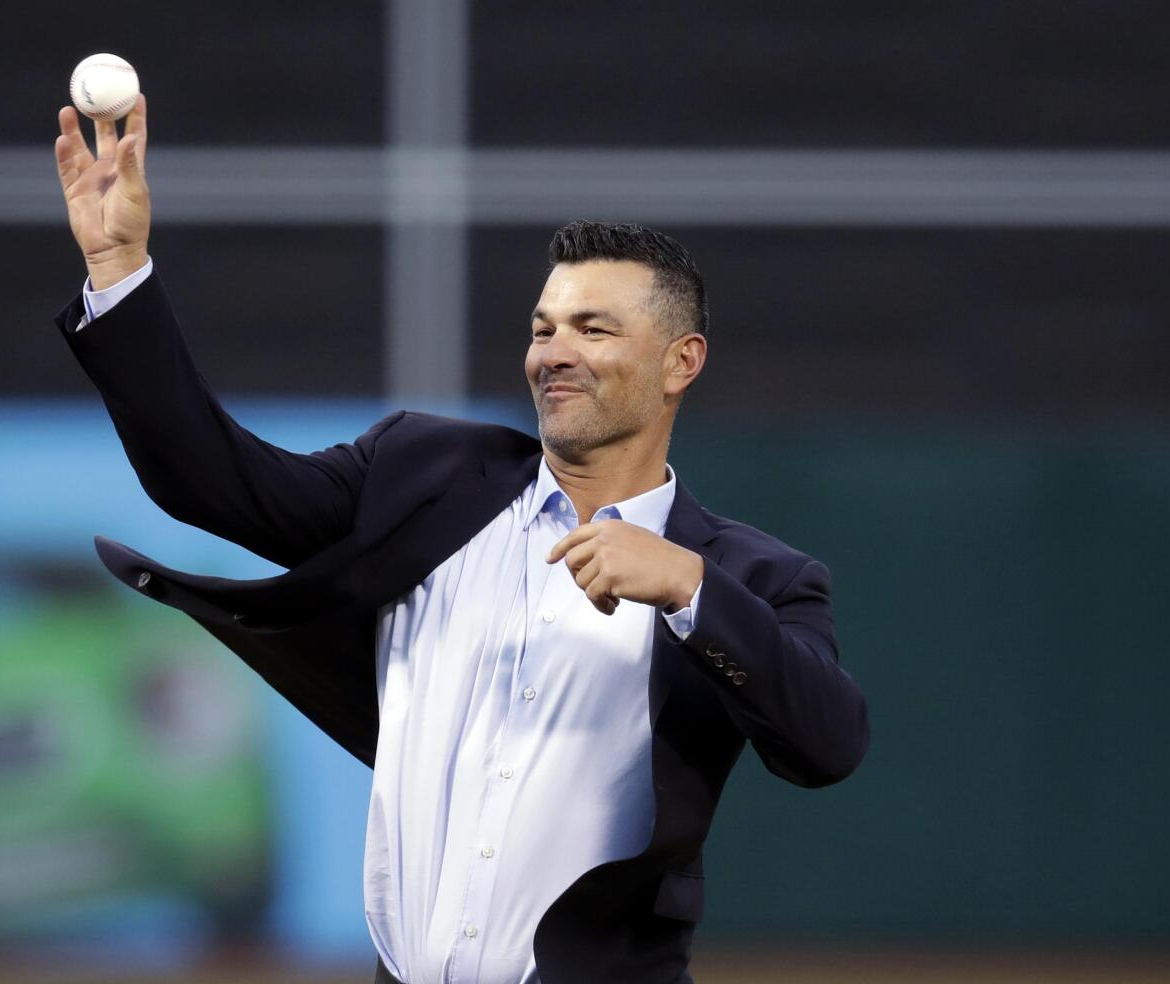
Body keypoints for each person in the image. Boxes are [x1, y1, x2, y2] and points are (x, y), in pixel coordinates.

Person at [52, 95, 869, 984]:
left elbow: (828, 744)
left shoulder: (752, 578)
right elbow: (214, 483)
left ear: (682, 361)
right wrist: (120, 269)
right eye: (543, 327)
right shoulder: (423, 475)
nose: (555, 350)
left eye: (595, 329)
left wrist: (690, 591)